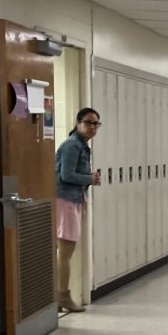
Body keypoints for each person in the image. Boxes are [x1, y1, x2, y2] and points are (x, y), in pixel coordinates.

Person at [54, 107, 102, 313]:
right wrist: (89, 178)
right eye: (88, 122)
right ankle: (62, 297)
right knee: (65, 250)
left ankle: (58, 296)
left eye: (96, 124)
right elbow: (66, 175)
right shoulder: (72, 145)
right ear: (78, 123)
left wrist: (87, 179)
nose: (92, 127)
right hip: (65, 200)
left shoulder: (81, 145)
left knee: (66, 250)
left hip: (73, 199)